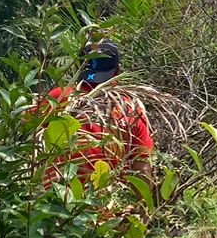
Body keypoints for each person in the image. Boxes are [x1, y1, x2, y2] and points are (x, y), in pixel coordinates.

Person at [48, 41, 153, 174]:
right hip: (105, 186)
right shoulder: (129, 108)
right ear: (117, 72)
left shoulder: (59, 97)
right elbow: (142, 167)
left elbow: (27, 131)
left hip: (56, 184)